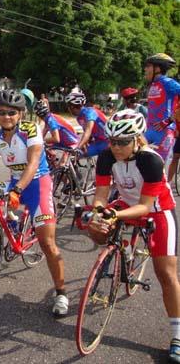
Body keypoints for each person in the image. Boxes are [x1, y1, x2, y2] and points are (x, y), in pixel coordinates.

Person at [87, 109, 180, 362]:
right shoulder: (106, 157)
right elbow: (101, 195)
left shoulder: (151, 161)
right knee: (95, 229)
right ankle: (123, 249)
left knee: (166, 274)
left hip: (157, 211)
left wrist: (116, 216)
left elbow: (146, 206)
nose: (116, 147)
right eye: (112, 141)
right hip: (126, 205)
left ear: (137, 139)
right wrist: (99, 211)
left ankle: (178, 334)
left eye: (123, 142)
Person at [0, 90, 68, 317]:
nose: (6, 117)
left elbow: (33, 164)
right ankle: (11, 227)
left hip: (37, 184)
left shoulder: (30, 130)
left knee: (46, 241)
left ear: (21, 113)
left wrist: (17, 190)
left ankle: (61, 292)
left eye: (11, 113)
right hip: (14, 182)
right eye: (2, 112)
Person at [144, 53, 180, 169]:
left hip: (165, 132)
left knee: (157, 168)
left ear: (158, 68)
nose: (145, 69)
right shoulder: (153, 84)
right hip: (150, 130)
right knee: (133, 156)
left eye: (148, 66)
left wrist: (169, 120)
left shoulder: (168, 83)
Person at [34, 99, 79, 167]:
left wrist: (42, 140)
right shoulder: (49, 117)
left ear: (40, 115)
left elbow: (56, 139)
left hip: (71, 143)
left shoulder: (51, 121)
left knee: (62, 166)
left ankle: (65, 175)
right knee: (44, 146)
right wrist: (37, 140)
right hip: (65, 140)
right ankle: (53, 157)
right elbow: (42, 134)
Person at [66, 91, 108, 157]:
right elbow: (88, 134)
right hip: (98, 141)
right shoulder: (79, 117)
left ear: (72, 107)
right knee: (75, 155)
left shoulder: (90, 112)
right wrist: (84, 143)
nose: (68, 109)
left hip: (108, 141)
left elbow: (88, 132)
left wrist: (78, 147)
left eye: (68, 106)